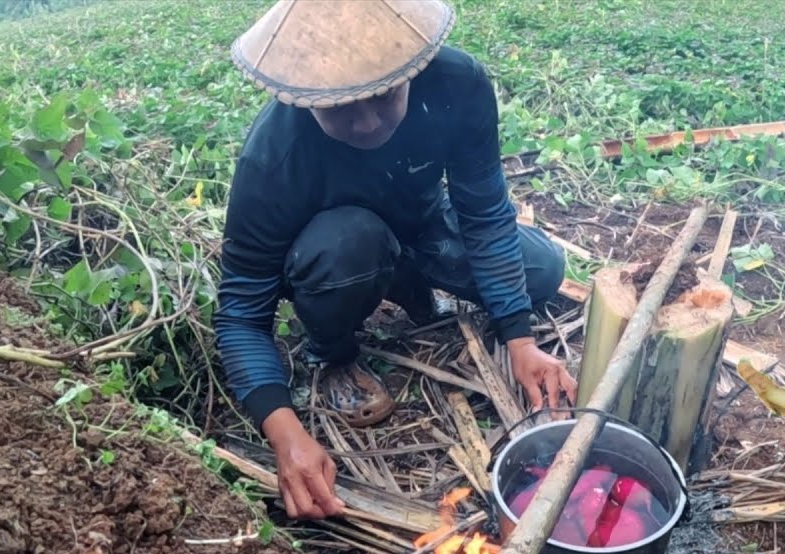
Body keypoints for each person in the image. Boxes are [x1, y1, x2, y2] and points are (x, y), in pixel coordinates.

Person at [213, 1, 577, 520]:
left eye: (383, 94)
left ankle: (406, 279)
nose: (365, 122)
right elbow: (240, 314)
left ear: (414, 68)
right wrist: (285, 432)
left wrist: (518, 338)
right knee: (350, 243)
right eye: (340, 106)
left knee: (542, 269)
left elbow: (484, 212)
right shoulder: (274, 158)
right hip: (338, 252)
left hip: (423, 223)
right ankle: (333, 350)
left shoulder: (457, 83)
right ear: (305, 97)